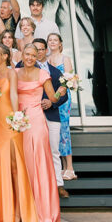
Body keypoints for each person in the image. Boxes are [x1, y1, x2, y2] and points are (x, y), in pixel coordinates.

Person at [0, 43, 38, 222]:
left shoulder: (12, 73)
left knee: (14, 165)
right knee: (1, 165)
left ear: (5, 56)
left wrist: (17, 116)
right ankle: (6, 212)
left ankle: (20, 211)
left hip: (10, 121)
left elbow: (14, 96)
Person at [16, 43, 63, 222]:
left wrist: (62, 90)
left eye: (33, 55)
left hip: (35, 121)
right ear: (22, 54)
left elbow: (52, 98)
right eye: (27, 54)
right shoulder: (15, 72)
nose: (29, 58)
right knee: (23, 162)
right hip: (18, 121)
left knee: (38, 162)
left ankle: (42, 209)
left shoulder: (43, 74)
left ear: (37, 57)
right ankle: (25, 210)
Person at [28, 38, 70, 199]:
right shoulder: (23, 69)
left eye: (40, 49)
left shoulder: (55, 71)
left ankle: (58, 184)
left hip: (51, 115)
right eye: (35, 49)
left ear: (46, 50)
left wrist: (52, 103)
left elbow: (63, 95)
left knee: (53, 149)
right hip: (32, 115)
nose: (38, 52)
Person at [47, 32, 76, 181]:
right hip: (51, 98)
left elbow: (70, 80)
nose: (52, 42)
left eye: (55, 40)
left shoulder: (65, 59)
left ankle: (70, 167)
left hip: (63, 99)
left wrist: (62, 90)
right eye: (50, 40)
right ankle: (61, 167)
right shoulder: (46, 60)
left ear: (60, 43)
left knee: (64, 130)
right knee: (55, 132)